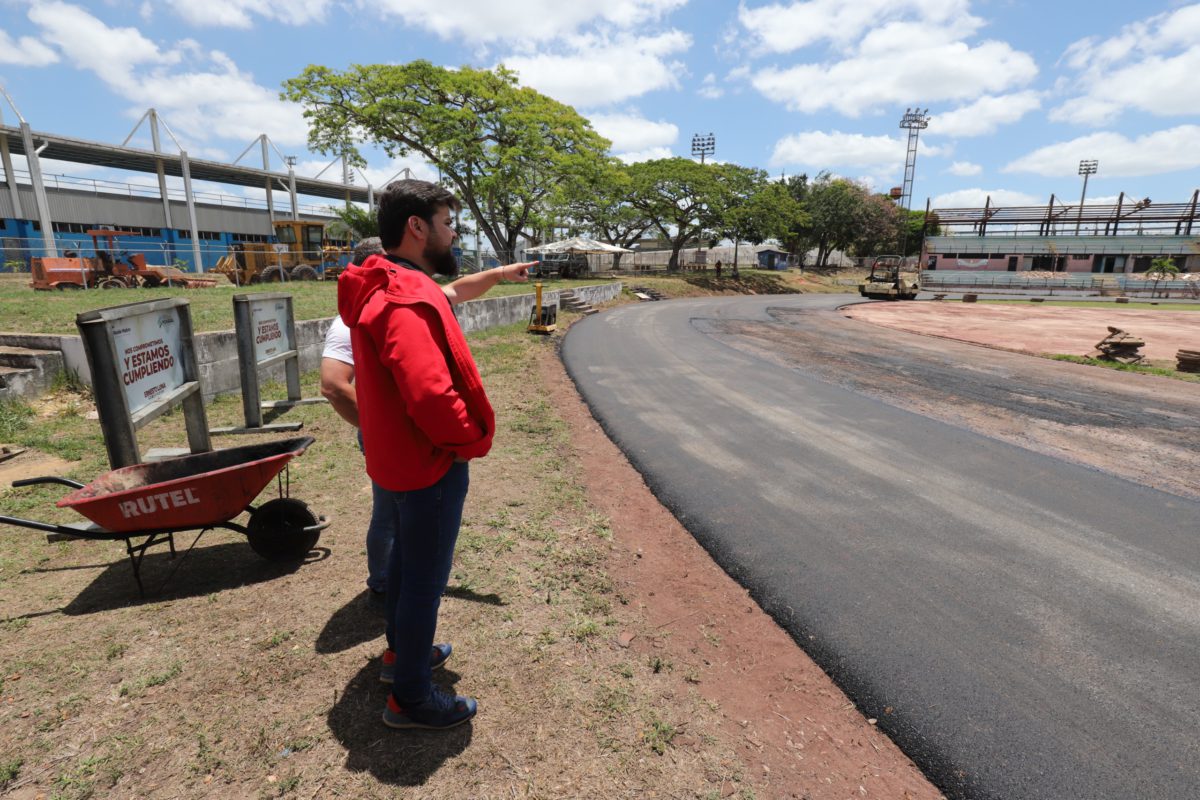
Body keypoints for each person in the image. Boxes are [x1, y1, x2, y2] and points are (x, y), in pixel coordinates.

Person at [338, 179, 533, 730]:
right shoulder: (405, 297)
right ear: (417, 227)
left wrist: (497, 275)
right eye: (447, 223)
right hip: (429, 464)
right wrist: (468, 440)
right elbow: (427, 392)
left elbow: (454, 293)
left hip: (396, 458)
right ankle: (412, 699)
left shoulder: (385, 284)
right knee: (425, 581)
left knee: (403, 565)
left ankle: (403, 655)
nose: (453, 233)